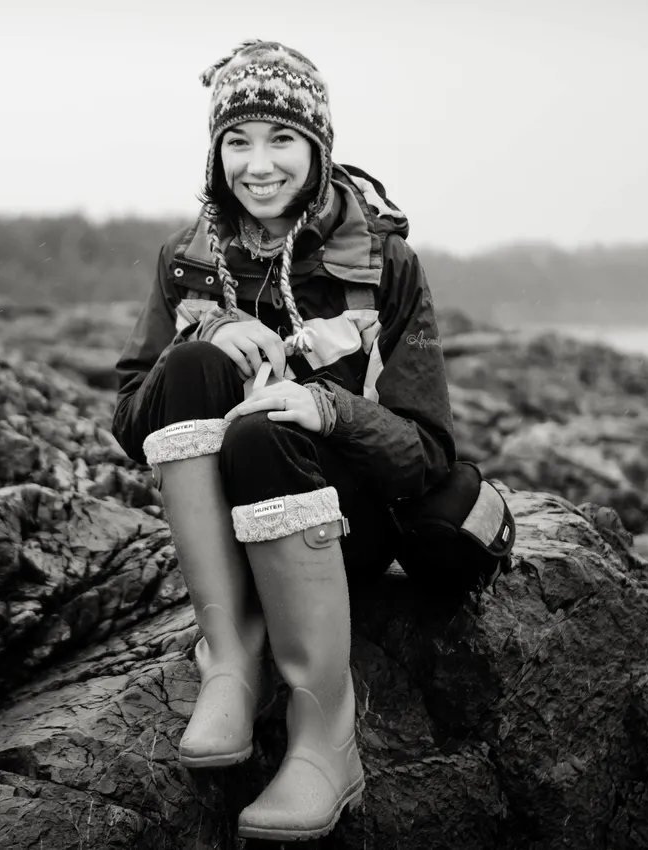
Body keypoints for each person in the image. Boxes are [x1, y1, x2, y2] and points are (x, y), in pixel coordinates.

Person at [110, 39, 457, 842]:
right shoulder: (185, 262)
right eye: (237, 141)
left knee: (269, 426)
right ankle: (228, 658)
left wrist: (329, 410)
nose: (256, 164)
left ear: (318, 147)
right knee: (196, 359)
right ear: (214, 152)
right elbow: (134, 425)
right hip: (229, 531)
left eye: (280, 140)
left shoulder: (385, 263)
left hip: (344, 525)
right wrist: (197, 344)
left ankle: (324, 738)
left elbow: (429, 452)